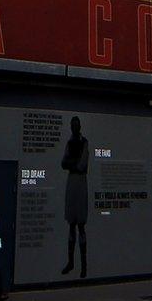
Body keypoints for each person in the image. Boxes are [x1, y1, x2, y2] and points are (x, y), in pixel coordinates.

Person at [60, 117, 90, 278]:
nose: (74, 128)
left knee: (81, 225)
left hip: (79, 183)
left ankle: (83, 265)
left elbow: (82, 165)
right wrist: (73, 163)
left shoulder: (84, 142)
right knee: (71, 224)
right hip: (72, 182)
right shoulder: (70, 142)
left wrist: (72, 163)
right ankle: (71, 262)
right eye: (72, 125)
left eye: (76, 125)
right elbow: (63, 162)